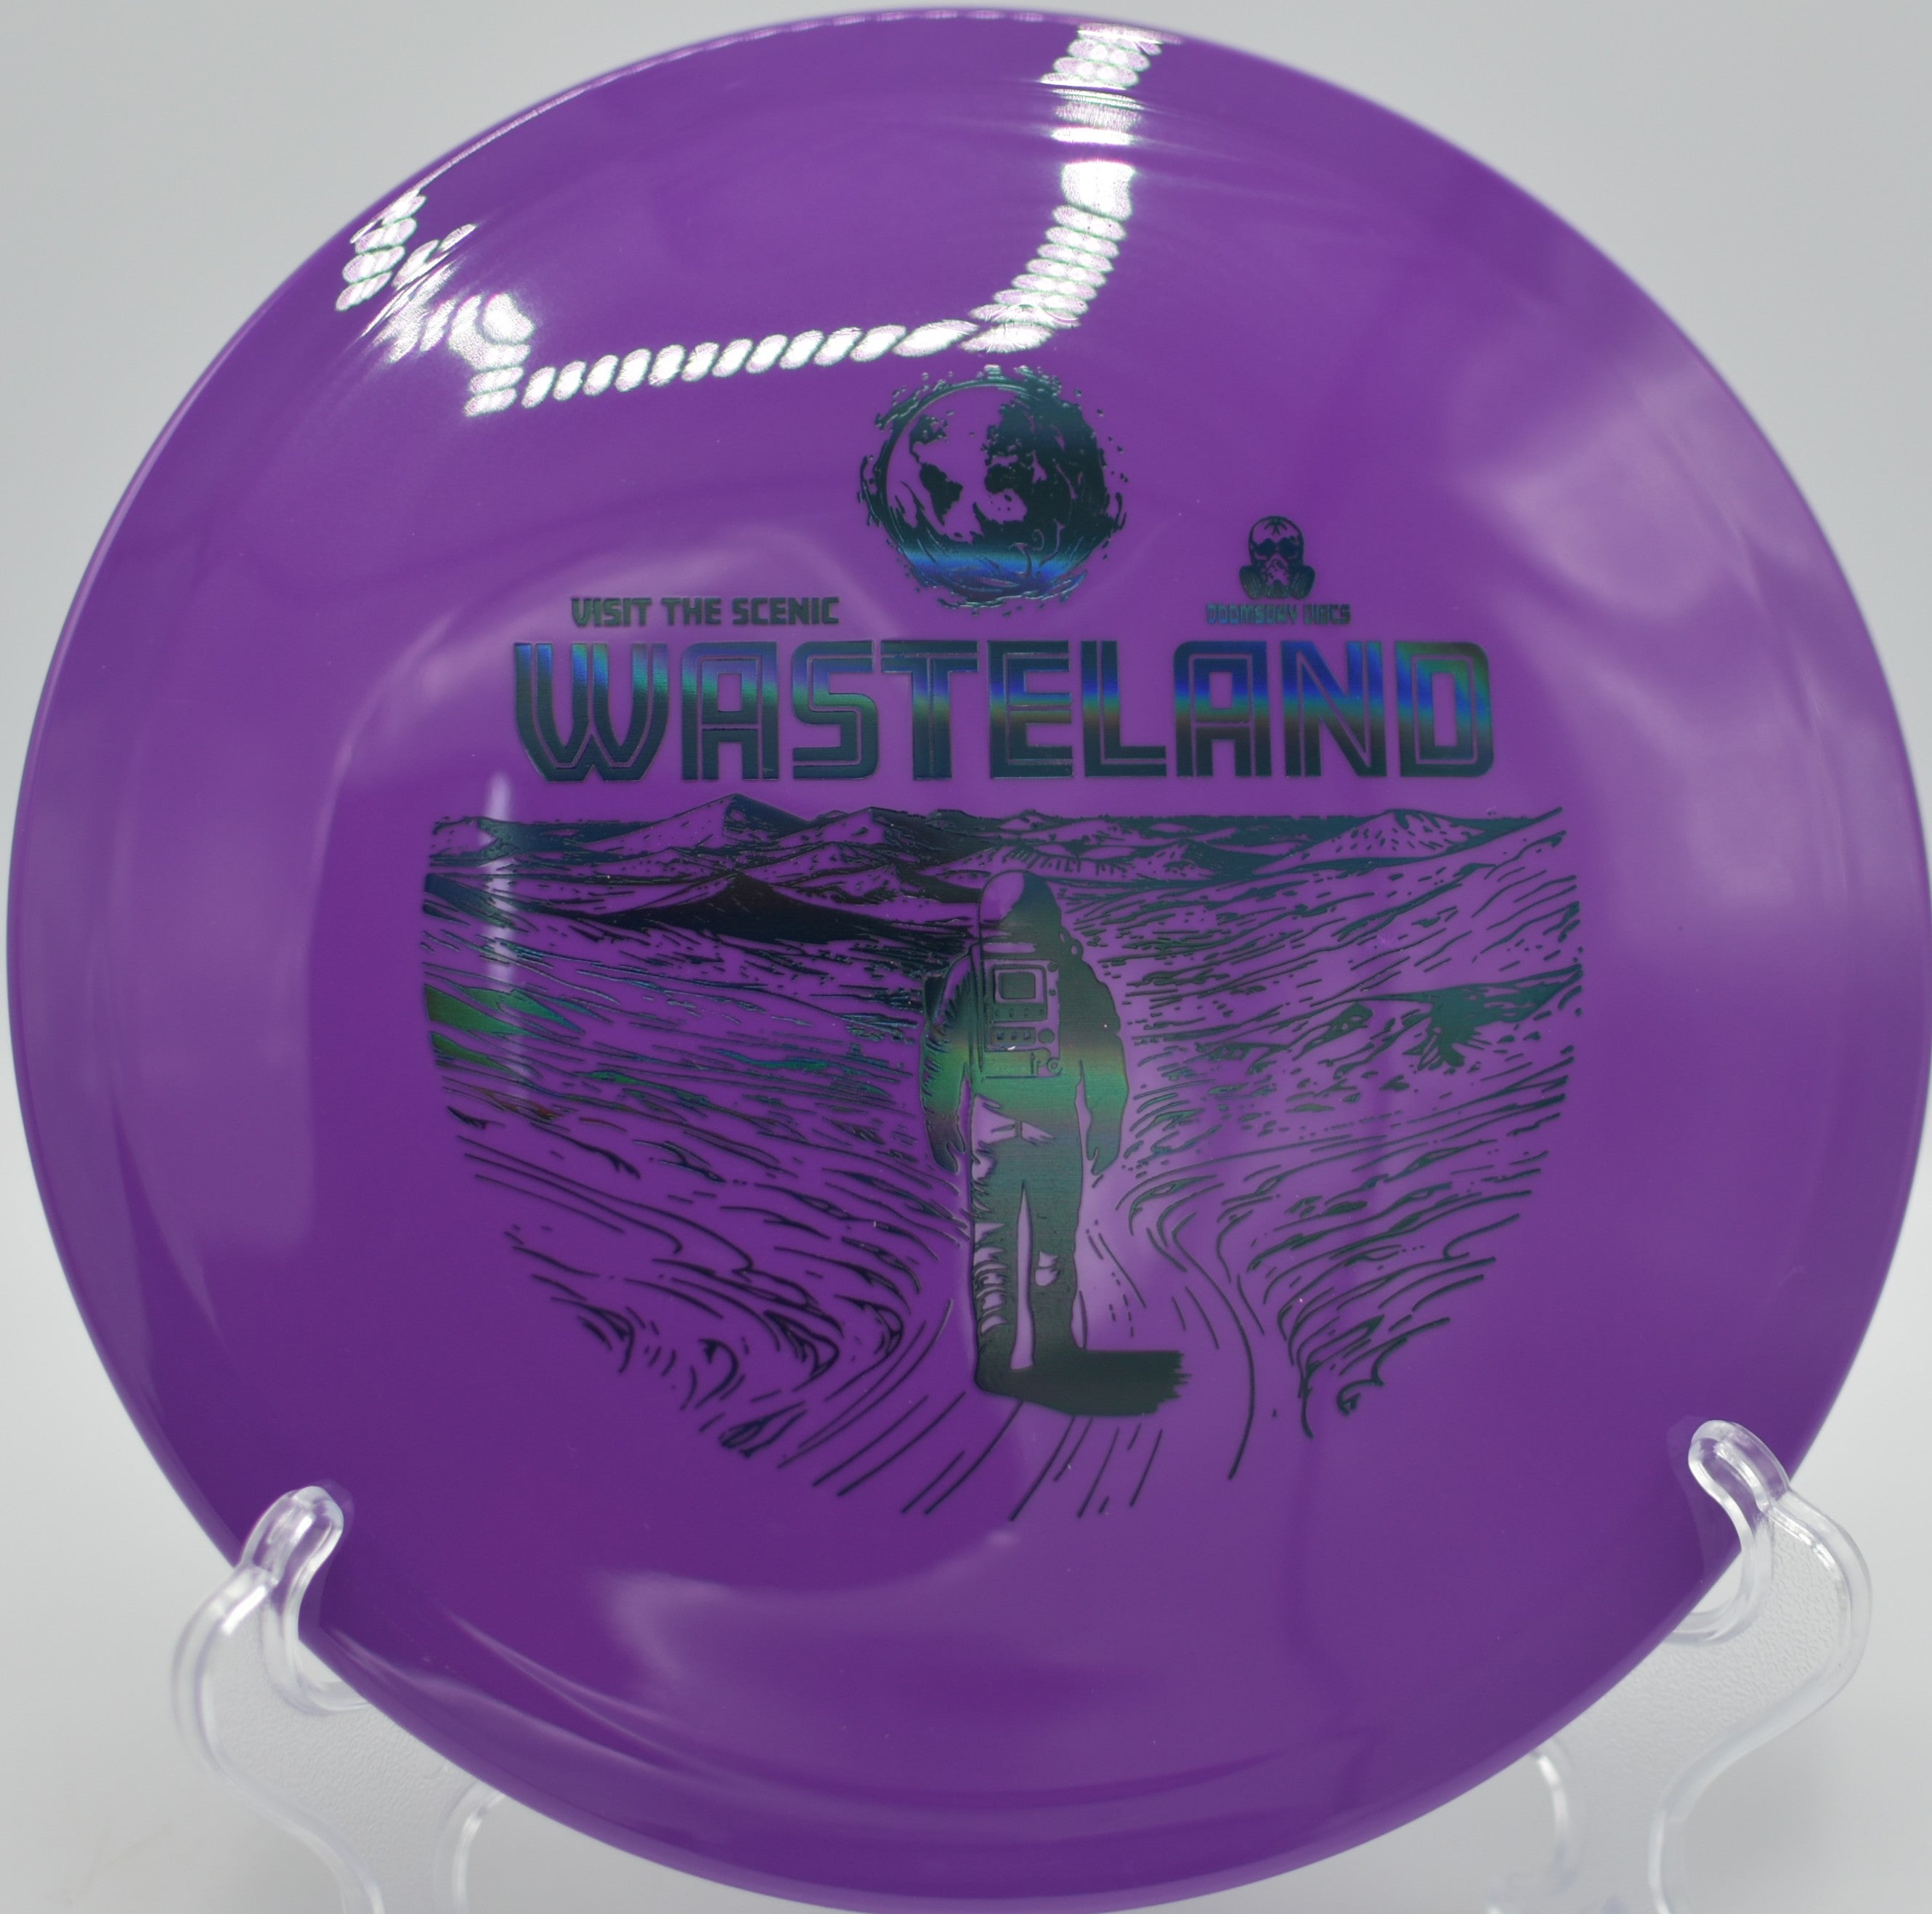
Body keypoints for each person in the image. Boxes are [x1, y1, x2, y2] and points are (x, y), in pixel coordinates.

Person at [922, 873, 1183, 1416]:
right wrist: (1106, 1118)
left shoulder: (971, 972)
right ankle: (1053, 1350)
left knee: (993, 1248)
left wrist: (941, 1113)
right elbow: (1103, 1048)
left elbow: (946, 1046)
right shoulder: (1070, 972)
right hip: (1056, 1129)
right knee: (1053, 1247)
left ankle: (995, 1361)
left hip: (992, 1128)